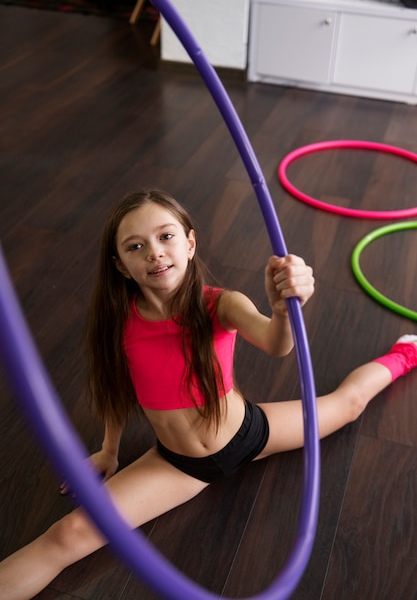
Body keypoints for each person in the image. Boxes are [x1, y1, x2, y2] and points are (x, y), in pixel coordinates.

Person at [1, 189, 416, 600]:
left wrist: (283, 309)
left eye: (165, 236)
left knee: (350, 405)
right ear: (121, 266)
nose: (154, 253)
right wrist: (109, 452)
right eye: (135, 246)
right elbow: (114, 393)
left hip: (250, 433)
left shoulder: (221, 305)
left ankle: (405, 354)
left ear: (189, 242)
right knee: (68, 534)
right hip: (179, 465)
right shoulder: (119, 327)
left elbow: (277, 344)